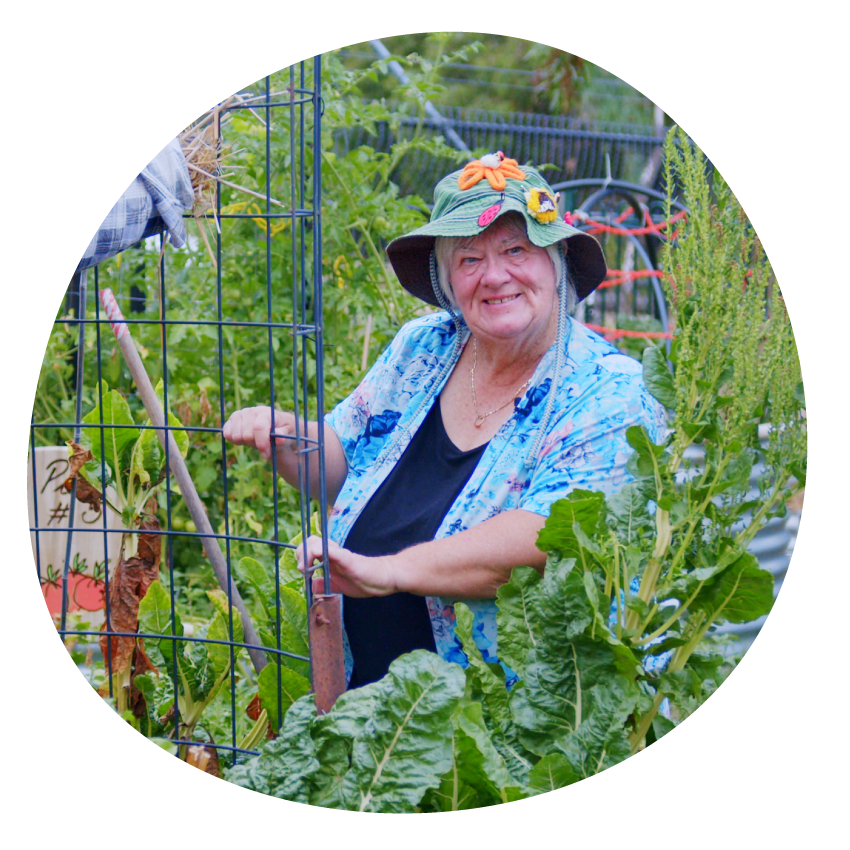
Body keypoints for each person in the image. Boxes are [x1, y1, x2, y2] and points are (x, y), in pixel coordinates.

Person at [222, 153, 666, 688]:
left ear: (557, 261)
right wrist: (290, 438)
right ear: (447, 279)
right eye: (469, 259)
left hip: (524, 718)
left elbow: (545, 540)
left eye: (516, 250)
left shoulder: (610, 390)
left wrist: (389, 571)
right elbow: (343, 456)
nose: (494, 275)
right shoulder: (424, 347)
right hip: (369, 706)